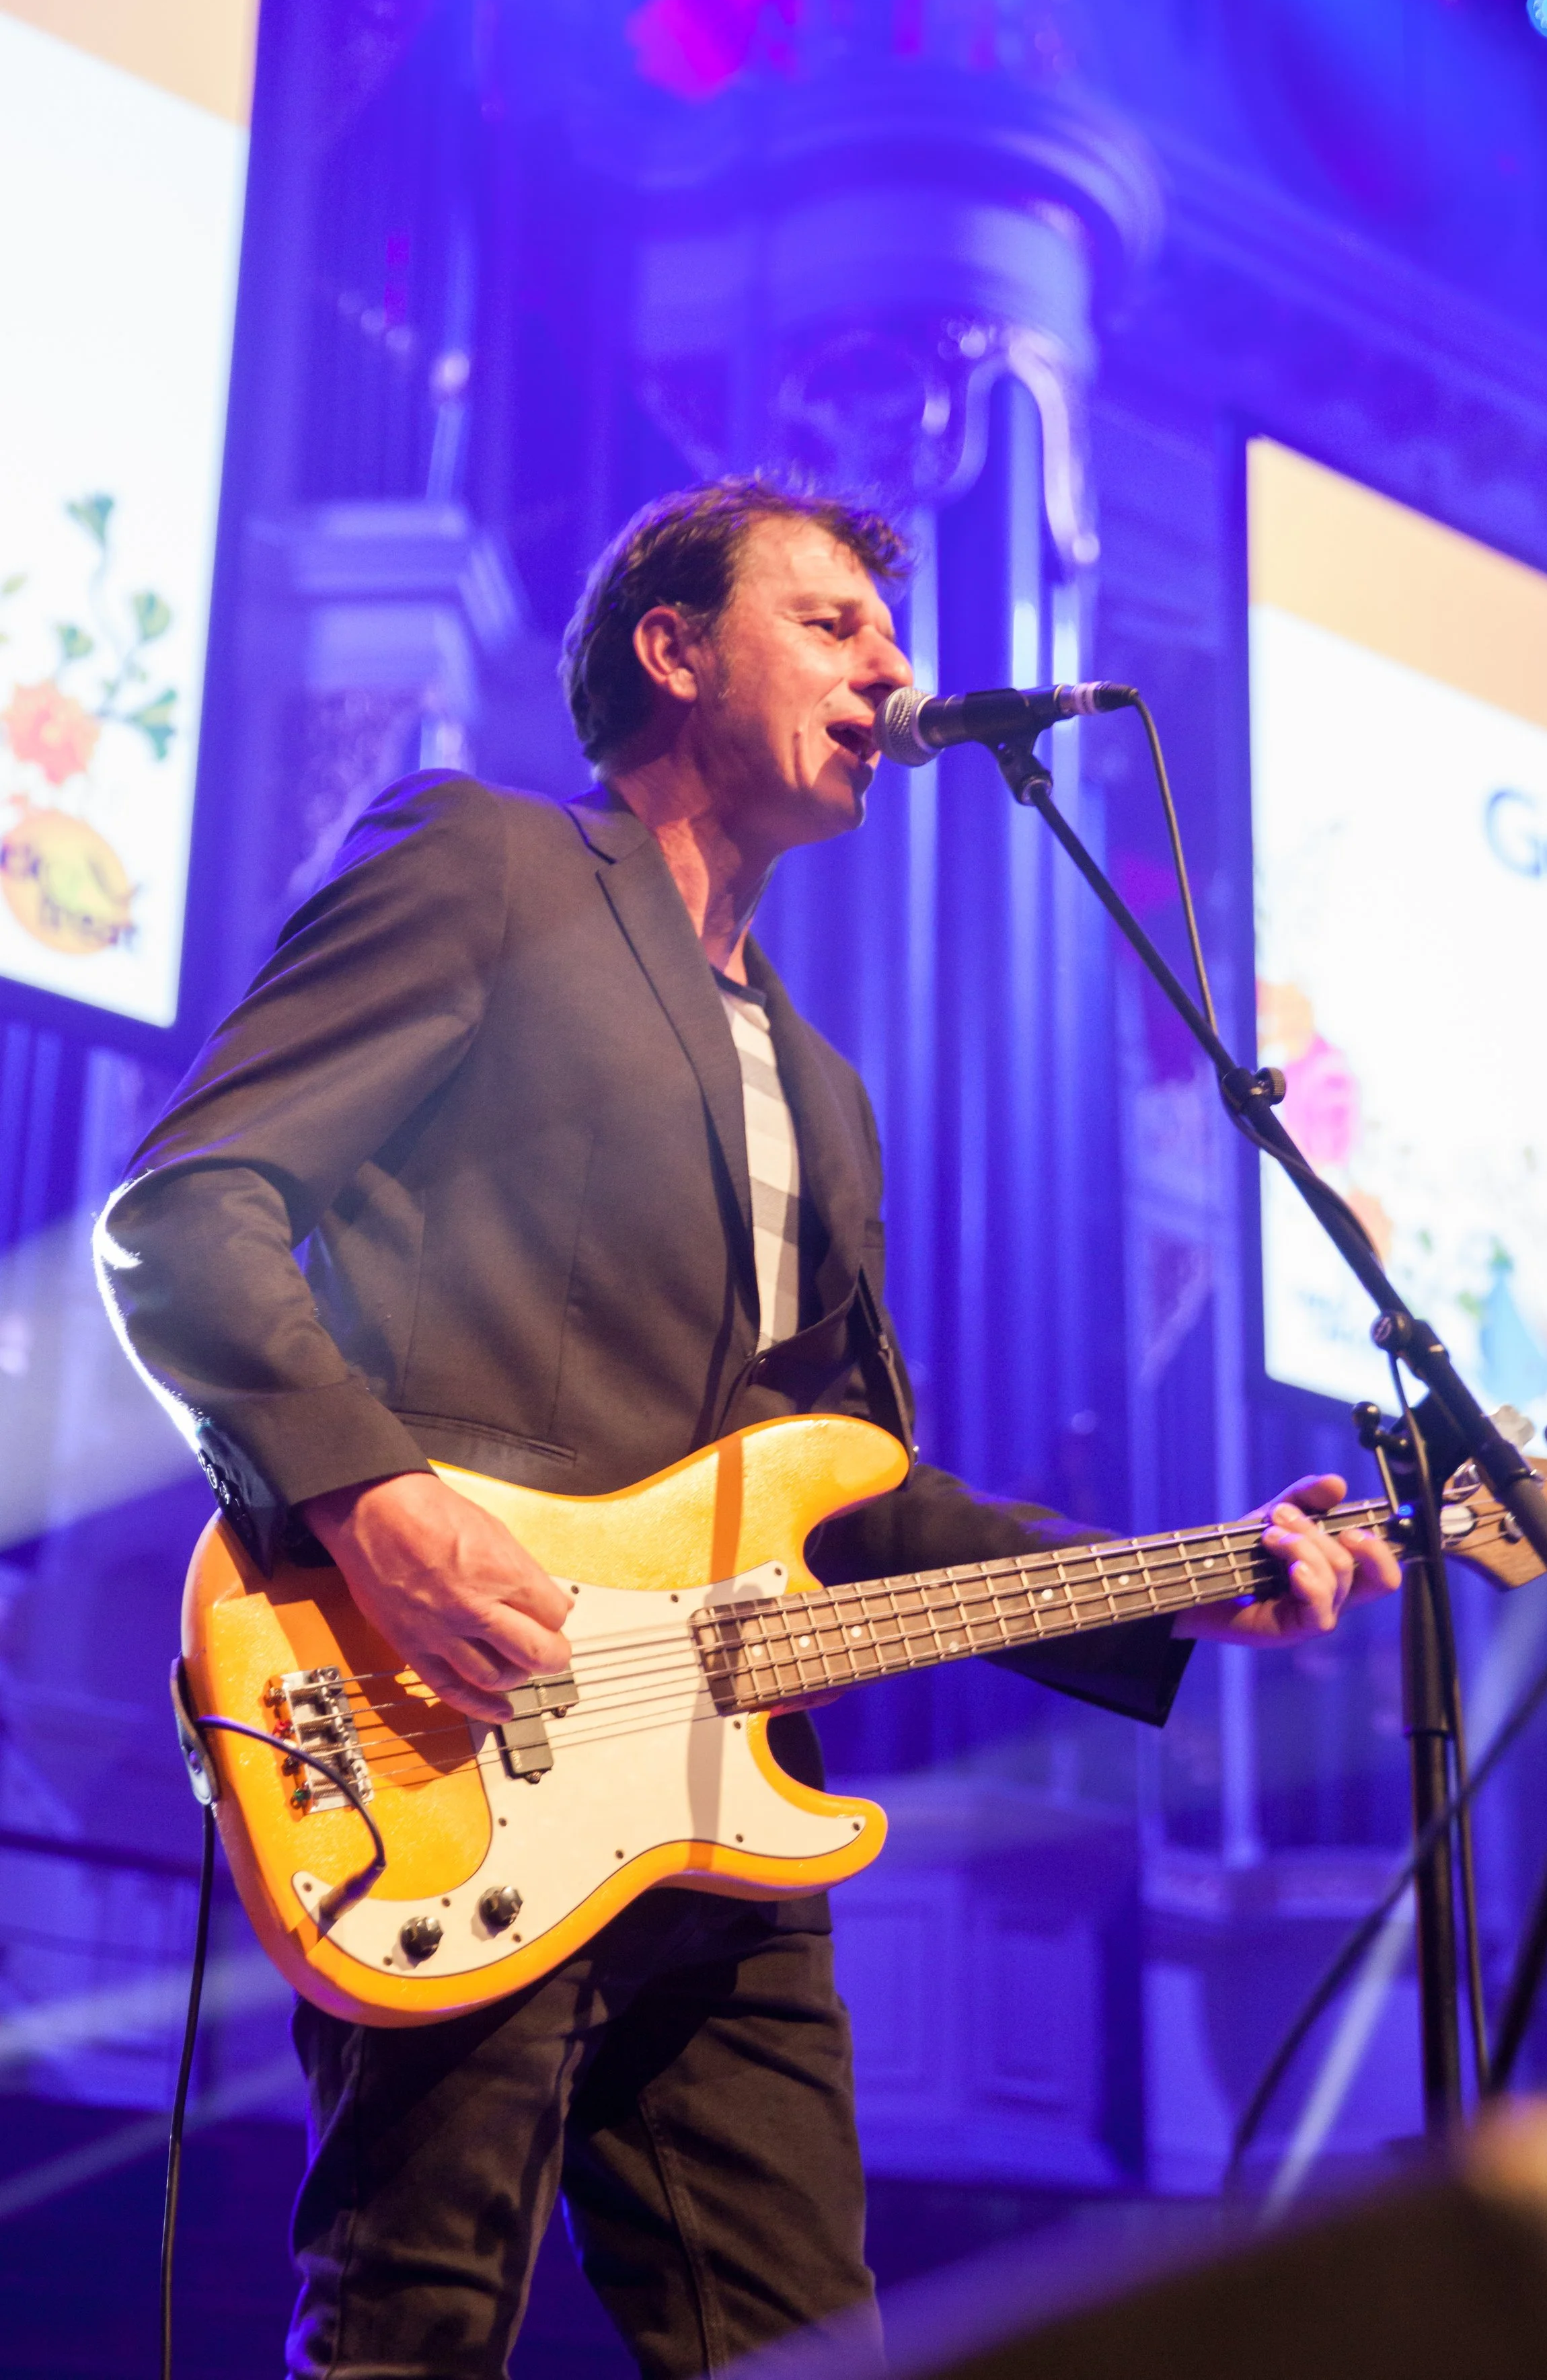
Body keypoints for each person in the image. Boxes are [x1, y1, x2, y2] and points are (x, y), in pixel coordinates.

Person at [97, 479, 1398, 2380]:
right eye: (832, 625)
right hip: (443, 1723)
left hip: (725, 1818)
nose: (897, 670)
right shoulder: (491, 863)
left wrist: (1182, 1581)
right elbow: (180, 1217)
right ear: (673, 647)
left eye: (890, 635)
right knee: (413, 2327)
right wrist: (376, 1504)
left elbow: (855, 1503)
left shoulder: (825, 1087)